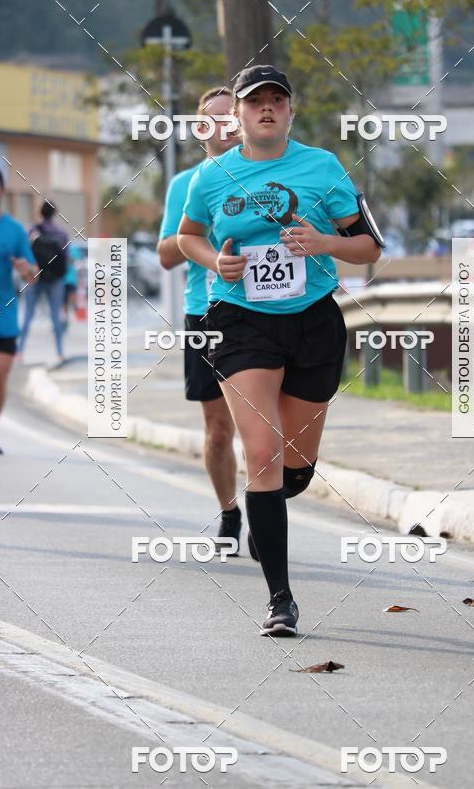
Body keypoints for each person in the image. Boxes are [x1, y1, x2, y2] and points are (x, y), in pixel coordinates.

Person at [177, 65, 383, 636]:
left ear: (290, 112)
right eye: (254, 102)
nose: (266, 108)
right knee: (262, 454)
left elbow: (369, 248)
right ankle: (280, 601)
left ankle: (278, 499)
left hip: (313, 321)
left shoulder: (322, 167)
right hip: (240, 322)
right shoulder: (212, 177)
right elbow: (189, 236)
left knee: (293, 469)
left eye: (276, 100)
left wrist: (323, 243)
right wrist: (213, 260)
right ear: (237, 116)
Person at [157, 86, 242, 552]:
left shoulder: (264, 176)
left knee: (264, 423)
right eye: (214, 119)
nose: (224, 126)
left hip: (258, 311)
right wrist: (200, 231)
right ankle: (230, 510)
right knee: (218, 428)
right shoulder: (187, 184)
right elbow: (167, 254)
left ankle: (268, 506)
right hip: (203, 312)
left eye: (232, 117)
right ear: (199, 128)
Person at [0, 167, 38, 454]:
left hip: (4, 319)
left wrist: (26, 269)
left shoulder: (14, 230)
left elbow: (34, 274)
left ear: (1, 193)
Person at [19, 200, 69, 365]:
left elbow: (24, 252)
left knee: (27, 316)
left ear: (40, 212)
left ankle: (19, 352)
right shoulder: (61, 233)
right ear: (54, 213)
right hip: (56, 280)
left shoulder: (33, 230)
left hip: (35, 278)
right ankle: (60, 353)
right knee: (55, 316)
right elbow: (65, 258)